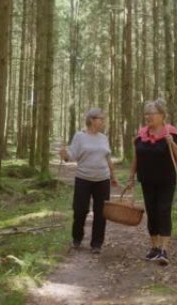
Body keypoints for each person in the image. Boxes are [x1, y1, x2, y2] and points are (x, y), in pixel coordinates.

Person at [128, 99, 177, 266]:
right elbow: (136, 157)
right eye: (146, 113)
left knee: (163, 211)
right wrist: (131, 176)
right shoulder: (141, 134)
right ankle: (154, 247)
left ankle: (164, 250)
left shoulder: (171, 132)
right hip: (147, 180)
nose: (148, 117)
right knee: (151, 213)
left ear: (162, 115)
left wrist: (171, 143)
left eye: (152, 113)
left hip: (166, 180)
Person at [59, 108, 118, 254]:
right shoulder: (80, 136)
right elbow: (71, 156)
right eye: (101, 119)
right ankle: (77, 238)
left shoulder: (103, 138)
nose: (103, 122)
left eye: (103, 119)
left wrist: (113, 176)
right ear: (91, 120)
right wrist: (65, 155)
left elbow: (108, 158)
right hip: (83, 179)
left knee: (101, 212)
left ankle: (96, 244)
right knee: (80, 210)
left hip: (102, 179)